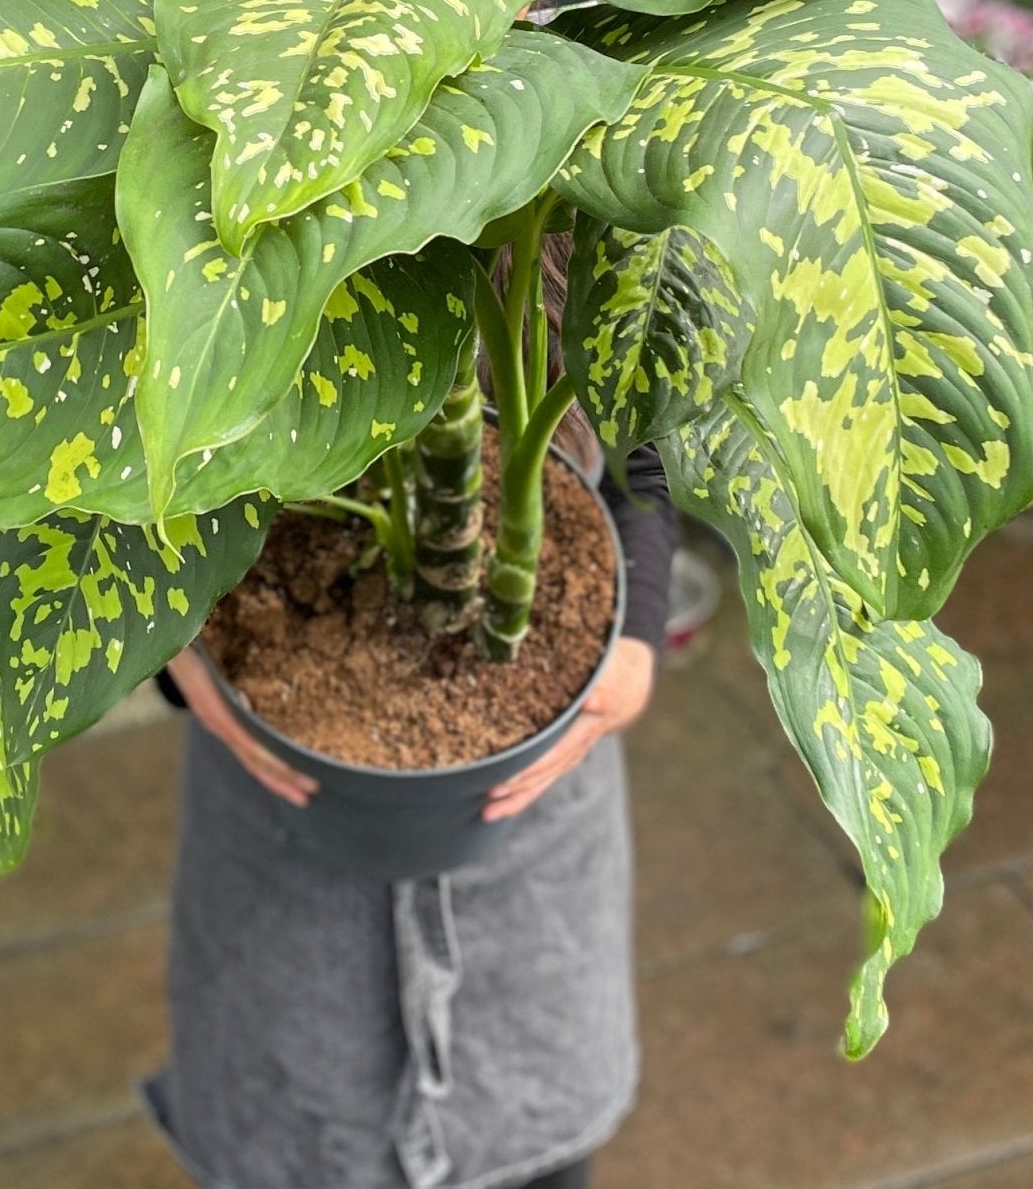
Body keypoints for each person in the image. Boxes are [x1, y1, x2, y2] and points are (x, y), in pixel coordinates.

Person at [143, 443, 680, 1189]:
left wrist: (633, 636)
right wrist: (165, 639)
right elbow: (117, 458)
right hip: (280, 859)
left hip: (534, 869)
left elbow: (640, 438)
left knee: (534, 1143)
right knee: (290, 1134)